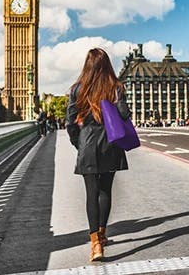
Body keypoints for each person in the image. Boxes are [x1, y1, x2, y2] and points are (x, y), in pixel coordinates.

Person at [66, 48, 129, 262]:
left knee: (91, 194)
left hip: (88, 145)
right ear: (107, 65)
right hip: (110, 144)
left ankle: (95, 245)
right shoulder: (115, 87)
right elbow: (124, 114)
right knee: (105, 192)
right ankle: (102, 235)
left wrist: (79, 143)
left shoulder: (77, 89)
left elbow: (70, 123)